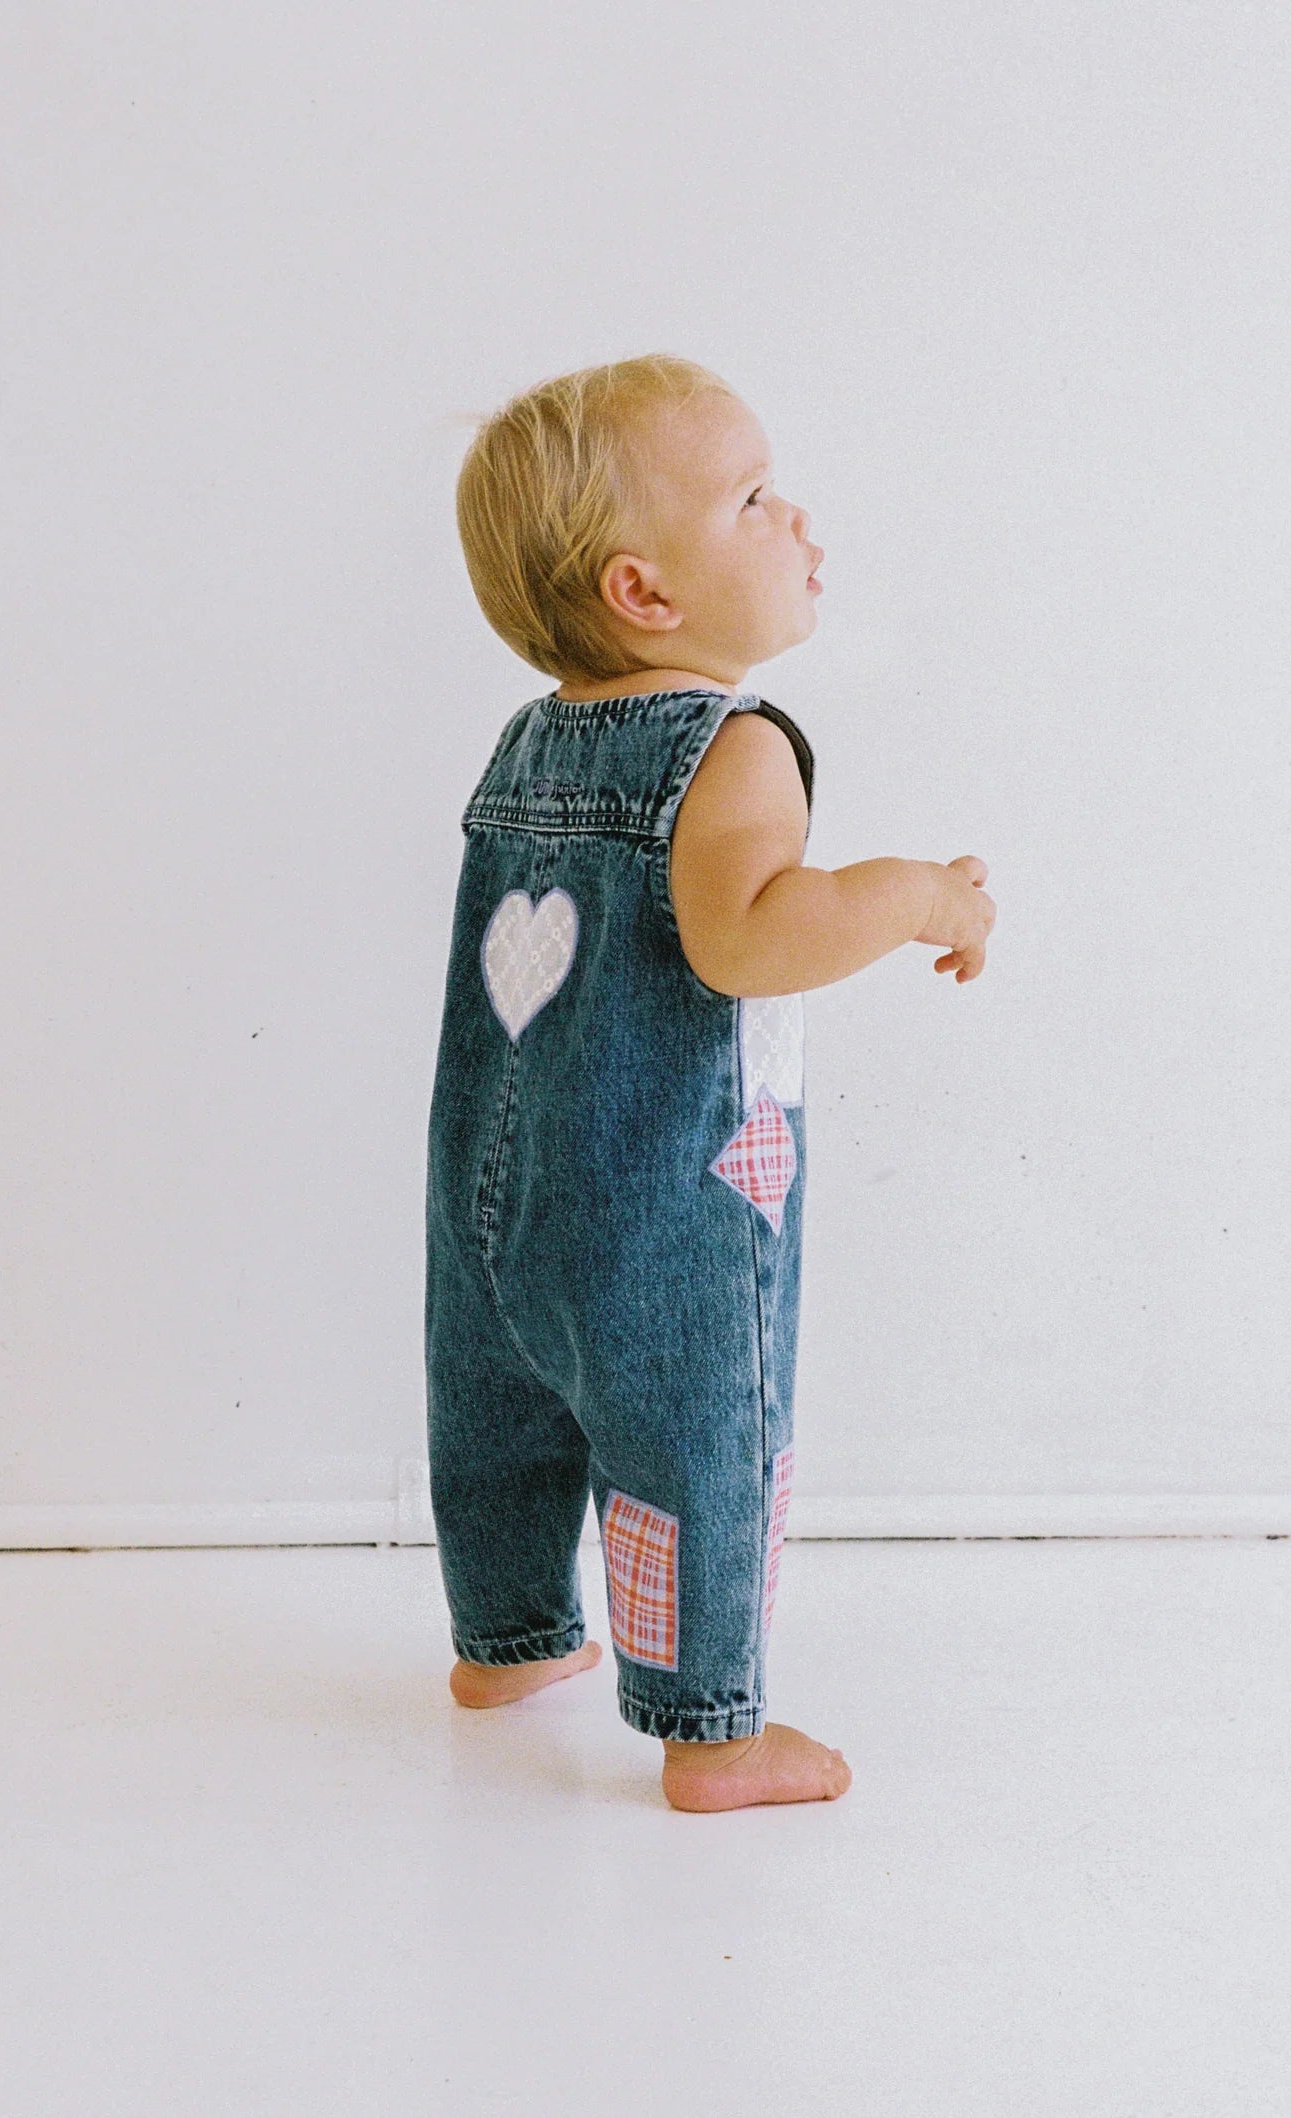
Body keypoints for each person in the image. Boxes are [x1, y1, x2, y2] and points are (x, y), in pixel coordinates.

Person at [425, 354, 996, 1813]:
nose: (795, 513)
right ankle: (712, 1730)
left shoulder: (527, 745)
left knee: (499, 1418)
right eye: (751, 498)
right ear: (646, 593)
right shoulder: (730, 750)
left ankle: (503, 1643)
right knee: (695, 1447)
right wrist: (914, 892)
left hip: (495, 1189)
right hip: (662, 1201)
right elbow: (750, 940)